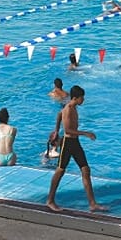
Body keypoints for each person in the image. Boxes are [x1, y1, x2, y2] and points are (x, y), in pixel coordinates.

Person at [45, 85, 107, 213]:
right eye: (81, 97)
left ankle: (92, 204)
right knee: (60, 171)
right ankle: (50, 200)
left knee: (85, 170)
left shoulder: (72, 107)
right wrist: (86, 133)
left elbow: (59, 115)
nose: (83, 100)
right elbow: (68, 130)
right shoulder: (68, 109)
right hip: (67, 143)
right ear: (75, 98)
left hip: (75, 142)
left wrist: (56, 130)